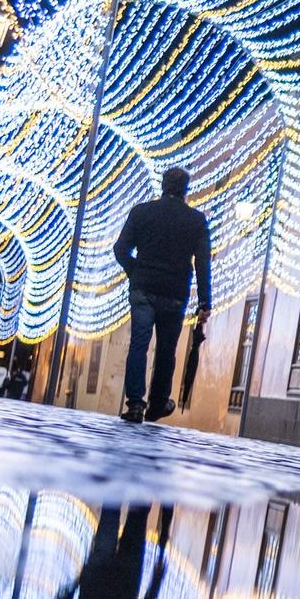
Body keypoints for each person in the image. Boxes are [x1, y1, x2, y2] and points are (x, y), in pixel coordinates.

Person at [113, 167, 212, 423]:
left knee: (140, 343)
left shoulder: (142, 212)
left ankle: (135, 402)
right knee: (167, 350)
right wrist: (204, 301)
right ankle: (157, 403)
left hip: (143, 289)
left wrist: (135, 271)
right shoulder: (196, 221)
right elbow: (202, 262)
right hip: (174, 293)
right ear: (185, 190)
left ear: (163, 186)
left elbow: (121, 248)